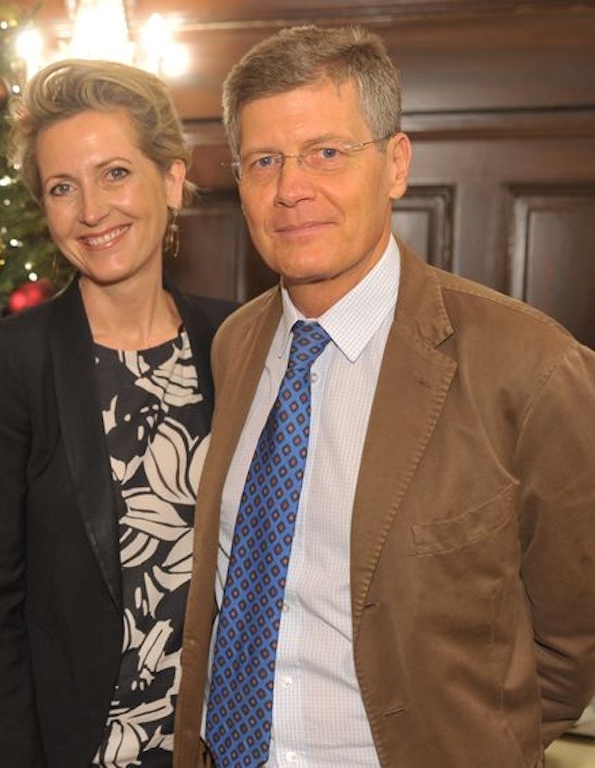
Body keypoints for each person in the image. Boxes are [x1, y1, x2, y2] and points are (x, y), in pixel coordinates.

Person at [174, 25, 595, 768]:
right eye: (264, 160)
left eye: (326, 153)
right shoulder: (235, 343)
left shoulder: (530, 366)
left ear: (396, 164)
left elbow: (573, 639)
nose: (290, 189)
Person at [0, 59, 236, 768]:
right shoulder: (12, 360)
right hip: (78, 750)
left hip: (219, 743)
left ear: (170, 180)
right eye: (62, 187)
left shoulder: (235, 342)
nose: (90, 210)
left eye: (115, 173)